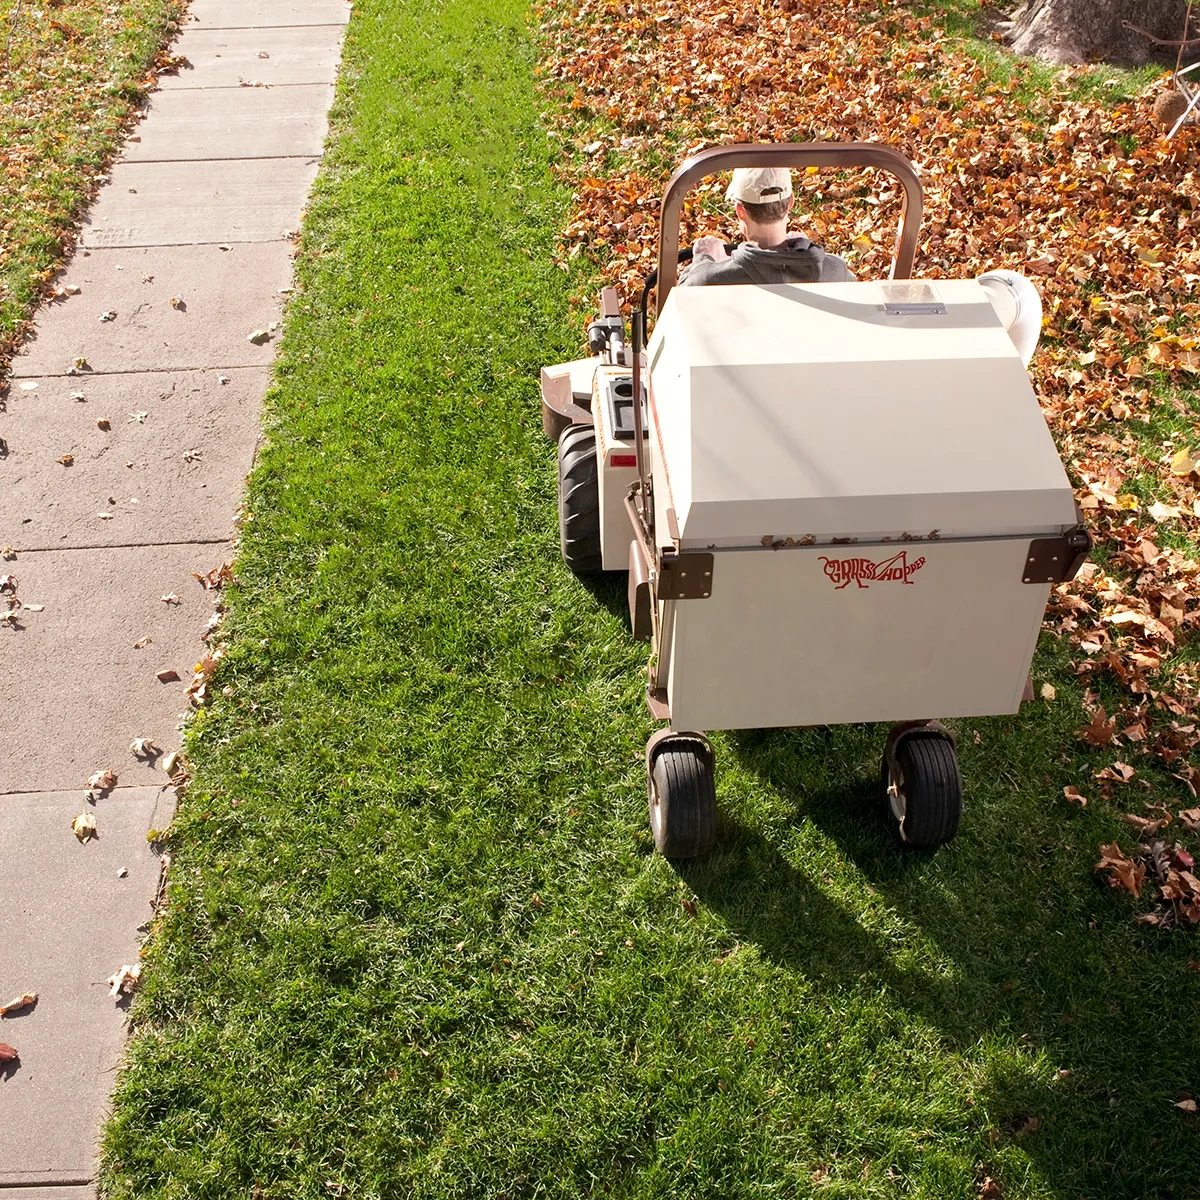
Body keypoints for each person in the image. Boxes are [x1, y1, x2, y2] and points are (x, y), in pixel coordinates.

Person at [681, 167, 855, 286]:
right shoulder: (836, 272)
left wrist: (703, 260)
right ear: (790, 202)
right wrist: (799, 251)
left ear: (740, 211)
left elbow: (678, 304)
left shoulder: (709, 279)